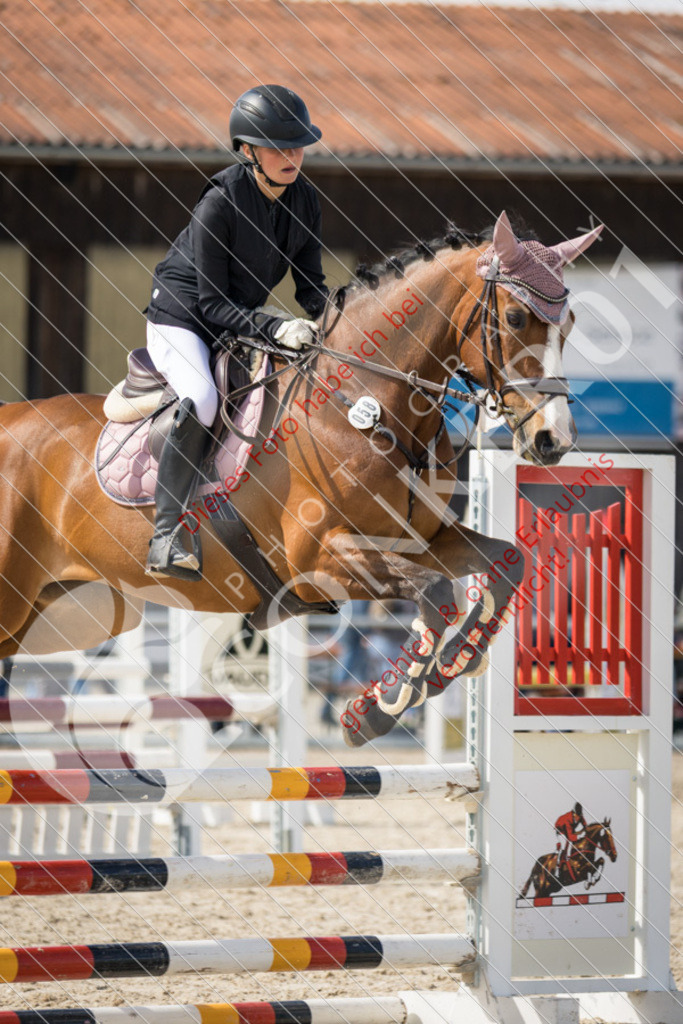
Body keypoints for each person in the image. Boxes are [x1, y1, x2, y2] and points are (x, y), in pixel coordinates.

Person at [144, 84, 329, 580]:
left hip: (237, 322)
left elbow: (311, 285)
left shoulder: (305, 200)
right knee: (203, 398)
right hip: (182, 319)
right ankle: (165, 535)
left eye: (298, 145)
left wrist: (334, 321)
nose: (292, 156)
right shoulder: (219, 203)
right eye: (278, 147)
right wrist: (275, 326)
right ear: (248, 150)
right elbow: (210, 303)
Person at [554, 801, 587, 880]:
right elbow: (570, 837)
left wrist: (586, 829)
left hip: (569, 831)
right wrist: (580, 835)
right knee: (564, 847)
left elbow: (585, 824)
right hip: (561, 831)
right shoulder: (567, 819)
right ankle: (557, 866)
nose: (578, 818)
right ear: (573, 813)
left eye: (579, 816)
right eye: (577, 816)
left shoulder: (580, 816)